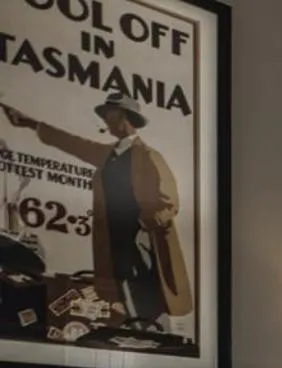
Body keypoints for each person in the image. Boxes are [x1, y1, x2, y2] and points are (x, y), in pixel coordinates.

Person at [0, 92, 193, 328]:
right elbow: (74, 143)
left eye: (110, 115)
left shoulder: (149, 156)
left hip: (141, 238)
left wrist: (144, 225)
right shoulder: (108, 155)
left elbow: (169, 200)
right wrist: (30, 123)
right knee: (119, 288)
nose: (106, 121)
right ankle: (138, 333)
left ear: (126, 118)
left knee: (146, 289)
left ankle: (156, 335)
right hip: (114, 238)